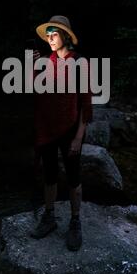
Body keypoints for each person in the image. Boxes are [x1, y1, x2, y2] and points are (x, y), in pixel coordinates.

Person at [30, 15, 92, 251]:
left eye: (54, 34)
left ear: (65, 35)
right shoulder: (45, 61)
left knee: (74, 176)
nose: (50, 38)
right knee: (49, 174)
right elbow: (36, 93)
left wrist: (78, 137)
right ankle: (49, 217)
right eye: (48, 34)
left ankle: (75, 222)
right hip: (48, 128)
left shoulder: (79, 63)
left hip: (70, 129)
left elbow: (86, 103)